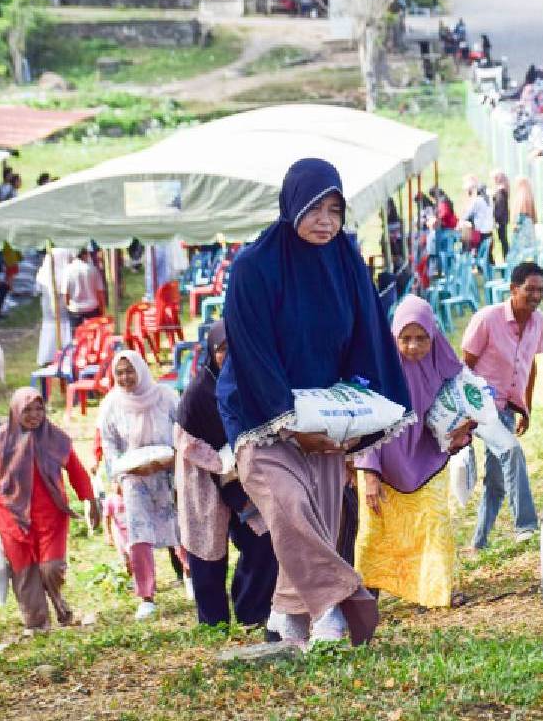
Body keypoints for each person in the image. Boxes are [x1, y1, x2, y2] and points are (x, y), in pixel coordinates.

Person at [217, 158, 413, 649]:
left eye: (335, 209)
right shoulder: (253, 267)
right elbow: (252, 351)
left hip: (326, 416)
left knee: (320, 521)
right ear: (290, 207)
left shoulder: (343, 258)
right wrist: (288, 423)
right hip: (259, 416)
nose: (326, 221)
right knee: (288, 507)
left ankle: (290, 620)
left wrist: (362, 409)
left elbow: (367, 333)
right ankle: (339, 599)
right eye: (314, 209)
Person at [354, 296, 472, 608]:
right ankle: (366, 597)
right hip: (383, 461)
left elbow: (462, 402)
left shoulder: (443, 363)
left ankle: (433, 592)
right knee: (375, 532)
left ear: (434, 336)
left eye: (421, 339)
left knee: (433, 522)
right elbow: (365, 421)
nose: (413, 347)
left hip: (427, 457)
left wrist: (464, 427)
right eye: (405, 339)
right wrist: (368, 474)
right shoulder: (379, 369)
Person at [174, 321, 278, 630]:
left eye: (234, 349)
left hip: (243, 476)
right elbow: (186, 442)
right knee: (207, 549)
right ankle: (214, 622)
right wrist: (220, 463)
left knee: (262, 539)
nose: (228, 356)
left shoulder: (250, 383)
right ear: (210, 352)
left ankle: (252, 610)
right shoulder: (198, 392)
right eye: (221, 350)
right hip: (204, 479)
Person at [0, 388, 99, 633]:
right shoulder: (0, 440)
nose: (34, 415)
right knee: (24, 574)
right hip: (12, 519)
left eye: (39, 409)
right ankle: (37, 623)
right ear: (15, 412)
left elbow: (77, 472)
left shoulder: (56, 438)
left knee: (51, 568)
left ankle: (59, 603)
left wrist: (90, 500)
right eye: (27, 410)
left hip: (51, 517)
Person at [461, 262, 543, 550]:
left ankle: (478, 543)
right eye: (529, 289)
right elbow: (465, 368)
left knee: (497, 480)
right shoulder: (487, 319)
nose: (535, 296)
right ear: (513, 289)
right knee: (511, 451)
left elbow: (530, 363)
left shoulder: (539, 322)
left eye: (540, 291)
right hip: (482, 407)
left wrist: (527, 406)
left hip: (508, 409)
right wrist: (465, 413)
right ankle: (526, 525)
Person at [97, 351, 182, 620]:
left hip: (168, 471)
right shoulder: (111, 404)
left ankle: (191, 576)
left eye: (130, 371)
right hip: (134, 477)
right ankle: (146, 595)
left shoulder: (165, 396)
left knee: (179, 526)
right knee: (139, 533)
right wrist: (121, 471)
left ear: (141, 370)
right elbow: (109, 444)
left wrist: (174, 459)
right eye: (120, 373)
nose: (125, 378)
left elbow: (182, 429)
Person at [36, 248, 75, 366]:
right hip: (57, 310)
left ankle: (54, 355)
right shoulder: (61, 273)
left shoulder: (44, 273)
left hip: (52, 311)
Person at [62, 249, 106, 332]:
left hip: (75, 309)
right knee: (94, 335)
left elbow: (66, 294)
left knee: (76, 338)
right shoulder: (92, 269)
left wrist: (68, 305)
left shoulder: (67, 271)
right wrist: (102, 309)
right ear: (86, 254)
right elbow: (100, 292)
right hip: (92, 308)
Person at [462, 176, 495, 256]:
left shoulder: (478, 200)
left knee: (479, 252)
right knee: (488, 254)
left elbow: (468, 213)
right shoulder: (489, 200)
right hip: (489, 230)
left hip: (480, 231)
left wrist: (463, 219)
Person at [491, 171, 511, 261]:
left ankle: (507, 259)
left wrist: (496, 218)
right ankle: (506, 258)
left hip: (501, 221)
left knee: (503, 241)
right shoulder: (503, 191)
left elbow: (499, 208)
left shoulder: (500, 192)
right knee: (503, 241)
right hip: (503, 220)